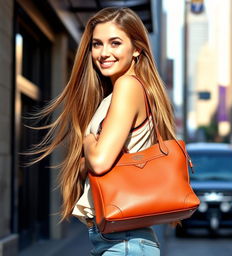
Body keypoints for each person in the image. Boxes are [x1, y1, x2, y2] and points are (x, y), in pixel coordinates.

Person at [27, 7, 177, 255]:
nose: (104, 53)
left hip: (125, 241)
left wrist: (88, 141)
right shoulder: (117, 91)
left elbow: (98, 161)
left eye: (115, 43)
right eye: (97, 44)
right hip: (116, 238)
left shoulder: (128, 86)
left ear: (137, 48)